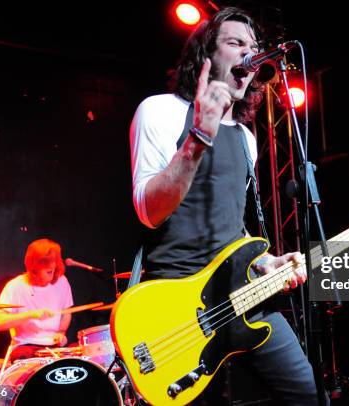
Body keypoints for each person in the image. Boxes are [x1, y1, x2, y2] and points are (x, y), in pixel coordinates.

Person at [130, 7, 324, 405]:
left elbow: (234, 227)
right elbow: (150, 212)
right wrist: (199, 135)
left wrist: (264, 262)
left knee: (309, 394)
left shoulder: (247, 139)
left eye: (253, 49)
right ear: (206, 55)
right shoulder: (160, 111)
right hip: (178, 304)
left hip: (240, 295)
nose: (248, 56)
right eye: (235, 44)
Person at [0, 238, 74, 362]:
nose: (53, 266)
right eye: (47, 264)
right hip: (26, 346)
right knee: (23, 358)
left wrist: (61, 332)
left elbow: (66, 312)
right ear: (34, 267)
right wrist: (30, 315)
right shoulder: (15, 286)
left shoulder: (62, 282)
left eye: (54, 262)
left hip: (54, 347)